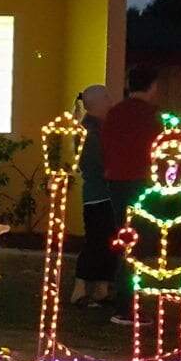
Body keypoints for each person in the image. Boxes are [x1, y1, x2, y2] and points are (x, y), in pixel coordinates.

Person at [100, 65, 165, 325]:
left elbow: (105, 146)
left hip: (116, 182)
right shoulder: (151, 116)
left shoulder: (115, 113)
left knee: (126, 240)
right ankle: (126, 307)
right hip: (141, 183)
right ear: (151, 87)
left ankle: (123, 301)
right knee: (139, 245)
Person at [70, 84, 117, 307]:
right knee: (96, 242)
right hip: (99, 194)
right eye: (107, 97)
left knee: (105, 241)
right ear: (97, 103)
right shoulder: (90, 131)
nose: (110, 101)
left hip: (101, 193)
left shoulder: (96, 127)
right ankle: (80, 290)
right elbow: (96, 163)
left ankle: (101, 288)